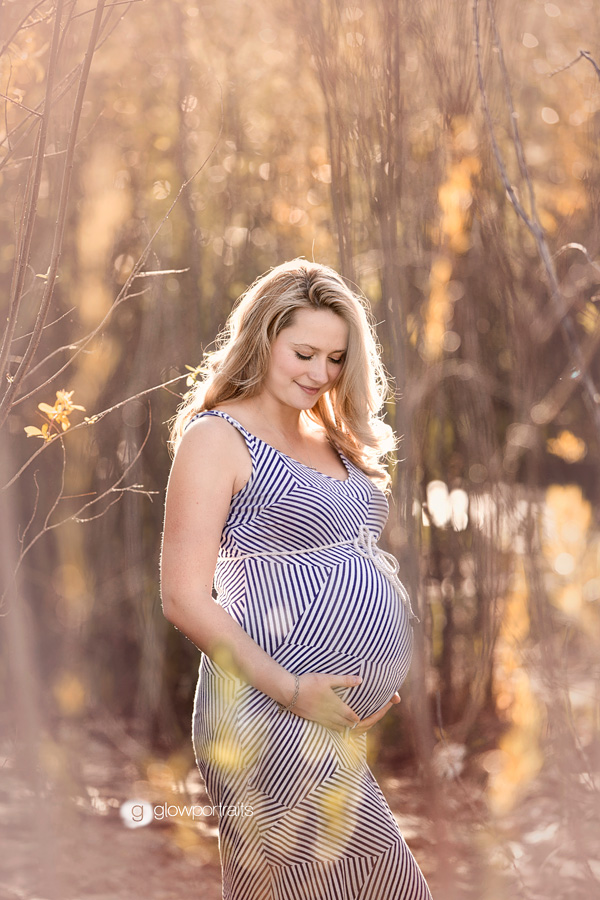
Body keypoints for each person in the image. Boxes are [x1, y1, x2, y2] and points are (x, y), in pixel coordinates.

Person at [160, 259, 433, 899]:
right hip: (262, 712)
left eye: (336, 358)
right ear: (263, 339)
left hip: (321, 718)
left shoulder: (332, 433)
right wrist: (292, 691)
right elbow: (181, 598)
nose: (320, 374)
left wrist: (360, 688)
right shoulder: (217, 438)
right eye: (304, 353)